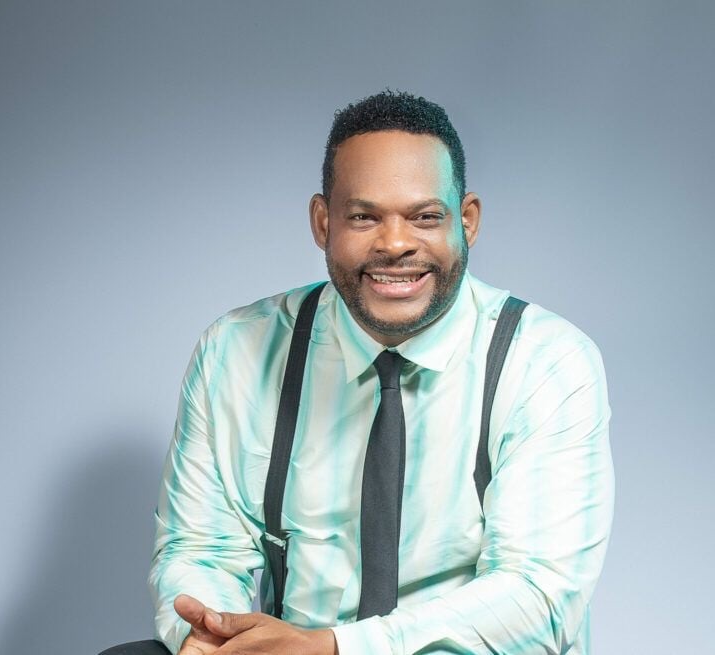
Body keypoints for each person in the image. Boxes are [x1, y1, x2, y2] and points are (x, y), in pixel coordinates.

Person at [132, 90, 614, 655]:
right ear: (323, 222)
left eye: (425, 217)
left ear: (467, 221)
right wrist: (215, 633)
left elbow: (538, 596)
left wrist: (336, 647)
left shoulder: (545, 362)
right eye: (364, 217)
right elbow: (202, 549)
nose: (396, 244)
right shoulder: (237, 352)